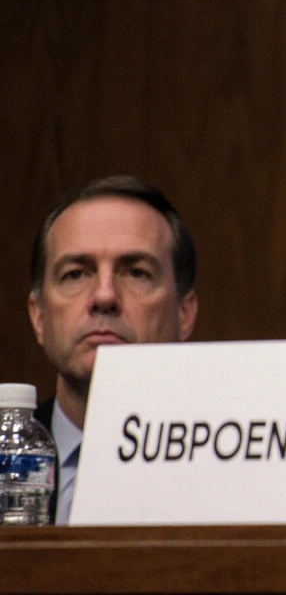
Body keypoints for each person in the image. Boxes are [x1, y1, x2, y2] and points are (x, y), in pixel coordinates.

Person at [28, 175, 199, 524]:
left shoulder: (232, 466)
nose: (104, 296)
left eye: (136, 272)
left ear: (185, 313)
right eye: (76, 274)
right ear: (39, 315)